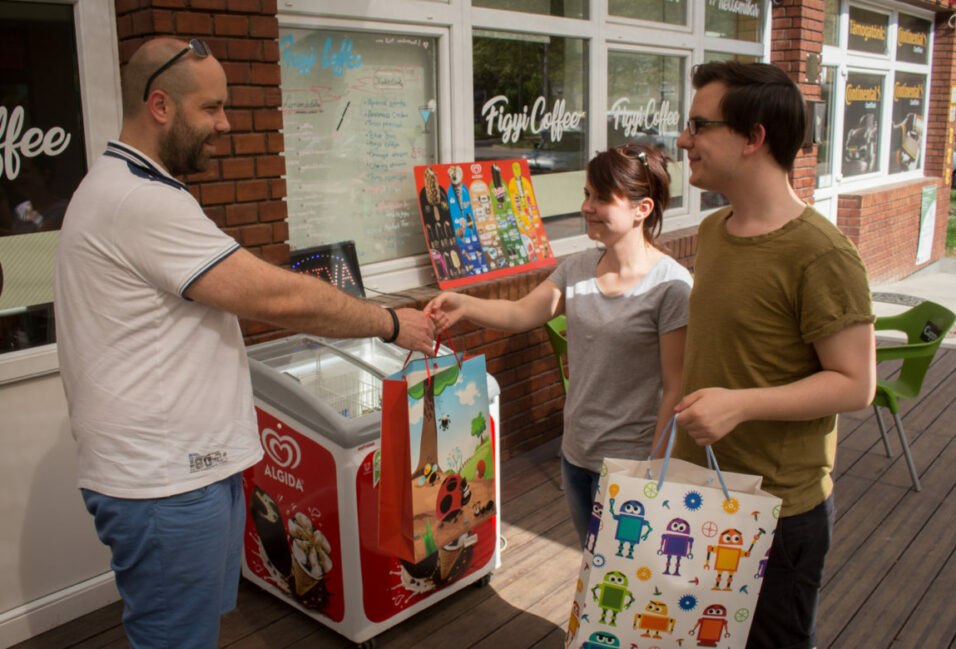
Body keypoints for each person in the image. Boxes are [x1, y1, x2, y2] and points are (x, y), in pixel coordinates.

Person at [52, 38, 434, 649]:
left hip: (185, 475)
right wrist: (390, 324)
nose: (225, 124)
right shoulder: (138, 200)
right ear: (159, 106)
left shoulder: (136, 187)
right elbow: (273, 297)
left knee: (191, 632)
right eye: (212, 109)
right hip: (167, 485)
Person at [672, 61, 877, 649]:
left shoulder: (822, 254)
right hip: (699, 492)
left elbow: (855, 384)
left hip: (777, 514)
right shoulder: (714, 230)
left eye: (699, 125)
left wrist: (740, 405)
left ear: (753, 137)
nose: (685, 140)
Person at [426, 144, 692, 548]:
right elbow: (520, 313)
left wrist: (653, 473)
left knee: (627, 572)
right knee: (591, 561)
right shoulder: (578, 268)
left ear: (642, 208)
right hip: (576, 455)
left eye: (602, 197)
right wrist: (464, 304)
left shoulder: (670, 287)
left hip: (631, 467)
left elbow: (676, 388)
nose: (587, 206)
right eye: (587, 194)